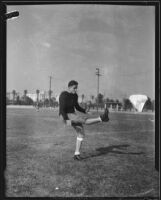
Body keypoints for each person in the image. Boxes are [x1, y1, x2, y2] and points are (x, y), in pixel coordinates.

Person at [59, 80, 109, 160]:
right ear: (69, 87)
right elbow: (62, 109)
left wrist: (85, 111)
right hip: (65, 116)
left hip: (72, 115)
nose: (76, 90)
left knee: (81, 132)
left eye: (76, 88)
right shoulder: (64, 94)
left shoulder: (75, 96)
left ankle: (76, 154)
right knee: (83, 120)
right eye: (74, 88)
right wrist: (66, 121)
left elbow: (77, 107)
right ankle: (102, 118)